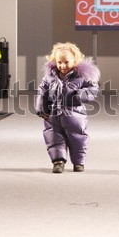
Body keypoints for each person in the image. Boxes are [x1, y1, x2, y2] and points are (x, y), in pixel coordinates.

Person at [35, 42, 100, 173]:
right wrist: (42, 109)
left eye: (66, 62)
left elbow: (93, 89)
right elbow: (42, 92)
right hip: (53, 115)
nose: (62, 66)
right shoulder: (50, 78)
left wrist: (80, 95)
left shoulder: (82, 77)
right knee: (54, 137)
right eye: (59, 62)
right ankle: (58, 162)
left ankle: (78, 162)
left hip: (75, 115)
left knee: (78, 138)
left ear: (75, 61)